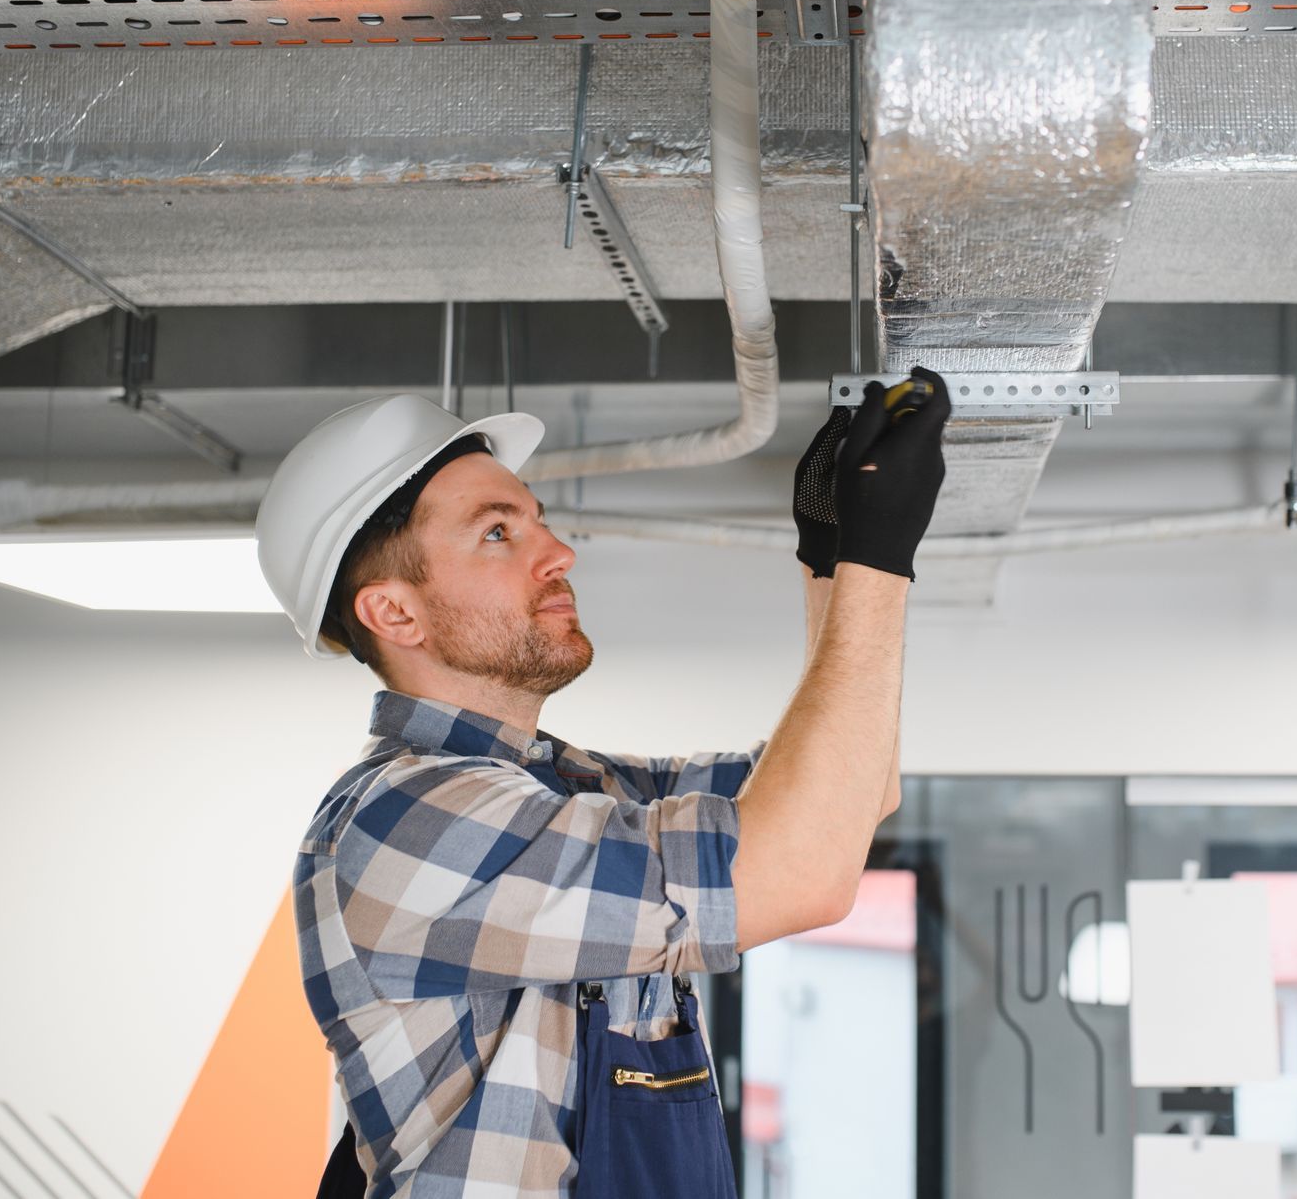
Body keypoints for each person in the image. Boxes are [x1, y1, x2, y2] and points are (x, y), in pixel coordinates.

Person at [253, 370, 951, 1199]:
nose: (558, 553)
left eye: (537, 522)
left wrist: (833, 559)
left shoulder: (568, 788)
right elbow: (801, 871)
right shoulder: (404, 818)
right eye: (497, 533)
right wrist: (879, 561)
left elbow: (849, 801)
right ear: (396, 615)